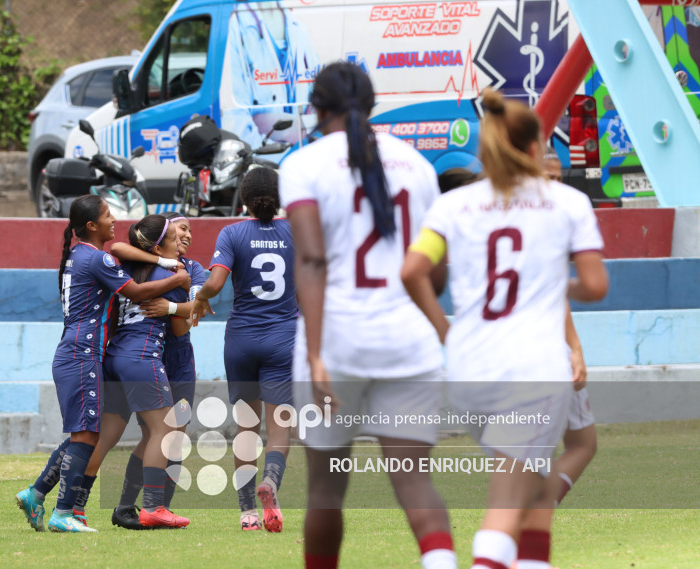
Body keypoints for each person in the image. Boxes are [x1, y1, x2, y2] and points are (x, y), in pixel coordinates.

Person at [401, 88, 608, 569]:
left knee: (531, 488)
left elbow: (412, 271)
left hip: (471, 368)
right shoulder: (567, 202)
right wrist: (556, 280)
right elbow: (596, 286)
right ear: (537, 148)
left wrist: (444, 332)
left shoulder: (455, 206)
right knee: (505, 507)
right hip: (533, 367)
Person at [279, 62, 456, 569]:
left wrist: (315, 357)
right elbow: (435, 275)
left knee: (326, 493)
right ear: (374, 104)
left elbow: (312, 260)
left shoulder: (304, 164)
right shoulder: (418, 166)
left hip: (337, 346)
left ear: (317, 108)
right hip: (410, 346)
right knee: (415, 483)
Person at [14, 196, 188, 533]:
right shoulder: (96, 258)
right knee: (92, 435)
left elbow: (121, 252)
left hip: (82, 353)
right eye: (108, 215)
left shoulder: (79, 255)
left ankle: (38, 495)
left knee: (87, 435)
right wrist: (176, 281)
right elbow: (136, 292)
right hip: (84, 354)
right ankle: (67, 512)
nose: (114, 220)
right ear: (91, 225)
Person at [79, 213, 203, 530]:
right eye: (177, 234)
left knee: (116, 436)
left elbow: (119, 248)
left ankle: (73, 505)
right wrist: (176, 297)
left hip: (119, 355)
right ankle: (154, 507)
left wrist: (173, 305)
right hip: (147, 356)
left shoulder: (135, 268)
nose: (183, 238)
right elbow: (178, 330)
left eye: (187, 231)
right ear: (159, 246)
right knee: (165, 432)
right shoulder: (174, 271)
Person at [189, 167, 296, 533]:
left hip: (242, 340)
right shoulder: (296, 231)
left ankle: (247, 512)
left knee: (246, 427)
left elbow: (215, 283)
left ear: (244, 198)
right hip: (284, 338)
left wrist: (199, 297)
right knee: (280, 429)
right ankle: (271, 483)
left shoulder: (232, 232)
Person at [222, 1, 320, 148]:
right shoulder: (233, 24)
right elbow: (236, 123)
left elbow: (319, 102)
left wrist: (297, 128)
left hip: (304, 155)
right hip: (263, 161)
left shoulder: (299, 28)